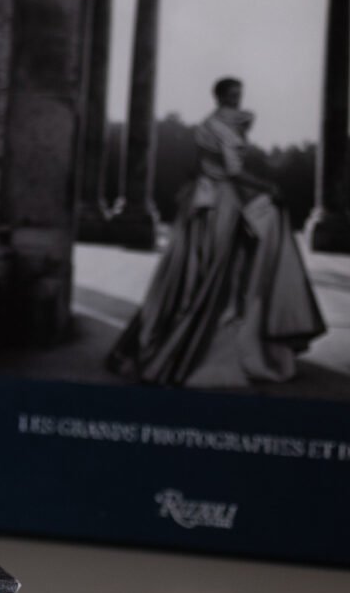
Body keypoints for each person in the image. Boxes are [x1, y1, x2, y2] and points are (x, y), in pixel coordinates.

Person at [107, 77, 325, 388]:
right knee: (224, 269)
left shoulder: (207, 124)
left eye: (239, 95)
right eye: (232, 96)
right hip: (222, 202)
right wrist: (269, 187)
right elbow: (234, 172)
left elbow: (206, 167)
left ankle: (200, 333)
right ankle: (211, 343)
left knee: (201, 271)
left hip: (201, 199)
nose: (237, 100)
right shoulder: (225, 126)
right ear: (220, 97)